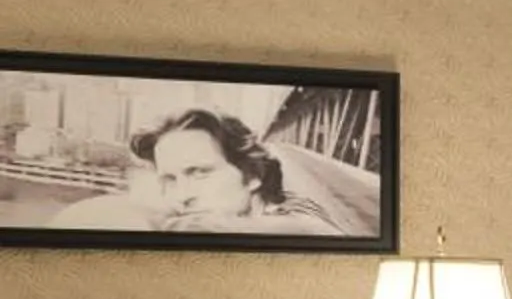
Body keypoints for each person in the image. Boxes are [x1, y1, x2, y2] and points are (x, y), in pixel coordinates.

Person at [59, 107, 341, 233]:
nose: (182, 196)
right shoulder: (243, 218)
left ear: (253, 175)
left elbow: (316, 232)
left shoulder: (300, 212)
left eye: (200, 172)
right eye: (170, 179)